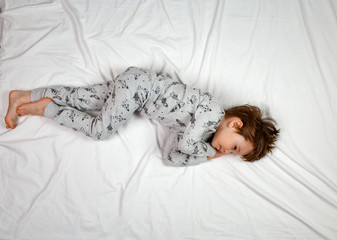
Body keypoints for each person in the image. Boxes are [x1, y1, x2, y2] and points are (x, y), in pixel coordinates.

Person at [5, 67, 279, 166]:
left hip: (135, 89)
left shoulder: (198, 130)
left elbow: (172, 157)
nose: (225, 150)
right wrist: (208, 154)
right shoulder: (212, 113)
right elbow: (186, 147)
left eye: (232, 153)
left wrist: (202, 152)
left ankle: (25, 96)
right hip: (140, 88)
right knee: (101, 130)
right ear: (235, 124)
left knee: (85, 98)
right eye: (233, 146)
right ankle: (46, 110)